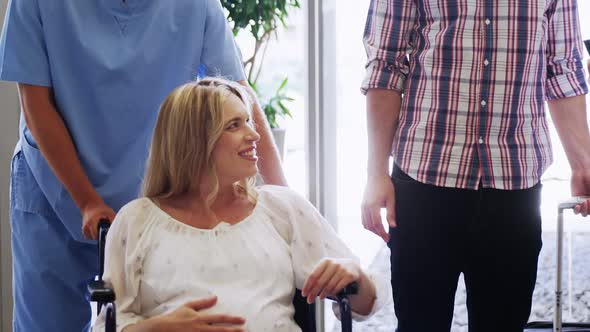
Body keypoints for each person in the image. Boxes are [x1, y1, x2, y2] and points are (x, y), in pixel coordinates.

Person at [0, 1, 287, 331]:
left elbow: (239, 94)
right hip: (54, 192)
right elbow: (36, 102)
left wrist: (279, 201)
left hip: (155, 202)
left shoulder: (197, 6)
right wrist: (87, 201)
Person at [360, 0, 590, 331]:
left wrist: (582, 164)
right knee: (419, 323)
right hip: (425, 176)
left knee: (504, 322)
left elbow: (563, 67)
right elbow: (386, 63)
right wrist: (375, 173)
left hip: (515, 181)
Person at [92, 78, 389, 332]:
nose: (254, 134)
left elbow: (366, 304)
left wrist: (355, 275)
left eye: (248, 120)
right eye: (234, 125)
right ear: (193, 141)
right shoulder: (137, 221)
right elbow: (107, 324)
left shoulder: (281, 208)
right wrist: (156, 328)